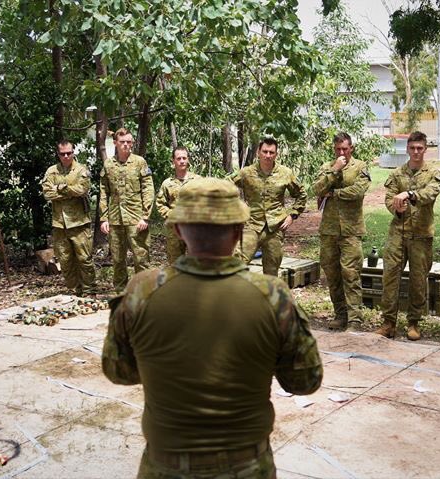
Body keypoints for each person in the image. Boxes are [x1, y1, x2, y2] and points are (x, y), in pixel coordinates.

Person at [102, 177, 323, 477]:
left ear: (179, 230)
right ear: (238, 230)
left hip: (165, 466)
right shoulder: (272, 296)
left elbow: (119, 371)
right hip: (247, 468)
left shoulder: (142, 291)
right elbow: (304, 381)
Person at [375, 131, 440, 340]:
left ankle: (414, 322)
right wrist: (396, 207)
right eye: (412, 148)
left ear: (425, 149)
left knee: (418, 280)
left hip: (421, 234)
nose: (416, 152)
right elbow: (389, 198)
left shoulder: (434, 174)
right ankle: (388, 322)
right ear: (407, 149)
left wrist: (410, 194)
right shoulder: (397, 174)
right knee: (390, 277)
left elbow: (430, 193)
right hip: (398, 232)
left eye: (419, 148)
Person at [313, 132, 371, 330]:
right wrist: (335, 170)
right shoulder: (327, 168)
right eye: (338, 149)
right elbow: (317, 189)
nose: (341, 152)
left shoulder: (360, 167)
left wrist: (334, 193)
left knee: (351, 274)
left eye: (345, 149)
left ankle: (355, 319)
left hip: (351, 231)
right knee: (332, 274)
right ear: (333, 149)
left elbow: (358, 191)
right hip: (329, 231)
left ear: (351, 148)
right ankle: (341, 315)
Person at [230, 137, 306, 276]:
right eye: (265, 151)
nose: (268, 156)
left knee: (271, 271)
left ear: (276, 154)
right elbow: (226, 184)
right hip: (252, 225)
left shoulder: (285, 173)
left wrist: (292, 216)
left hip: (276, 228)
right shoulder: (247, 172)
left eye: (271, 152)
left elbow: (301, 194)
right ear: (258, 152)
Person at [99, 128, 155, 292]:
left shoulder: (139, 162)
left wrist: (145, 216)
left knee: (141, 257)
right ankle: (121, 293)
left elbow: (148, 189)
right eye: (122, 142)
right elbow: (103, 192)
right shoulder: (109, 164)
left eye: (129, 142)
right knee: (117, 259)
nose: (126, 145)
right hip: (115, 219)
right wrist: (104, 218)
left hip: (136, 218)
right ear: (115, 143)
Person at [41, 140, 96, 297]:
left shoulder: (81, 169)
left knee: (84, 259)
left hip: (79, 222)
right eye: (62, 154)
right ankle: (74, 292)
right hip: (59, 224)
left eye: (69, 153)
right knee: (65, 261)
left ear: (73, 152)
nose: (66, 156)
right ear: (58, 154)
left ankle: (89, 291)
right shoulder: (51, 171)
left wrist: (60, 188)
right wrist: (67, 191)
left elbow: (82, 189)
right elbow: (47, 193)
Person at [154, 146, 200, 263]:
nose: (182, 161)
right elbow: (160, 203)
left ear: (188, 159)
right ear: (173, 161)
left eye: (184, 158)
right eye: (178, 158)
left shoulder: (198, 180)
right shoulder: (167, 183)